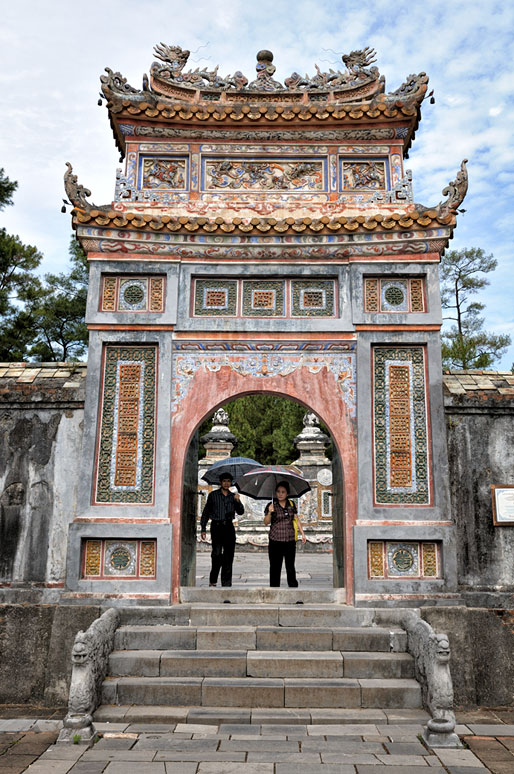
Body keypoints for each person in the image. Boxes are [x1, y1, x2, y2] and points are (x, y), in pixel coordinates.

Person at [200, 473, 244, 587]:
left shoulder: (233, 496)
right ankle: (213, 580)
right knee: (217, 554)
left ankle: (226, 583)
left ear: (231, 483)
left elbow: (241, 512)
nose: (226, 483)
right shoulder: (213, 495)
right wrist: (203, 528)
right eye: (224, 481)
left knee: (229, 556)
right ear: (220, 482)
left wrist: (238, 501)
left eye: (228, 481)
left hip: (229, 527)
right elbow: (206, 512)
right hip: (217, 527)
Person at [264, 480, 306, 587]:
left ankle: (293, 587)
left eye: (283, 492)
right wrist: (269, 512)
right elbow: (266, 522)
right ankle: (274, 588)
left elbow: (296, 519)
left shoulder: (291, 504)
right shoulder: (271, 505)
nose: (280, 494)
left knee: (290, 566)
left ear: (287, 493)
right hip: (275, 540)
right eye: (278, 492)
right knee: (275, 567)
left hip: (289, 540)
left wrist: (302, 533)